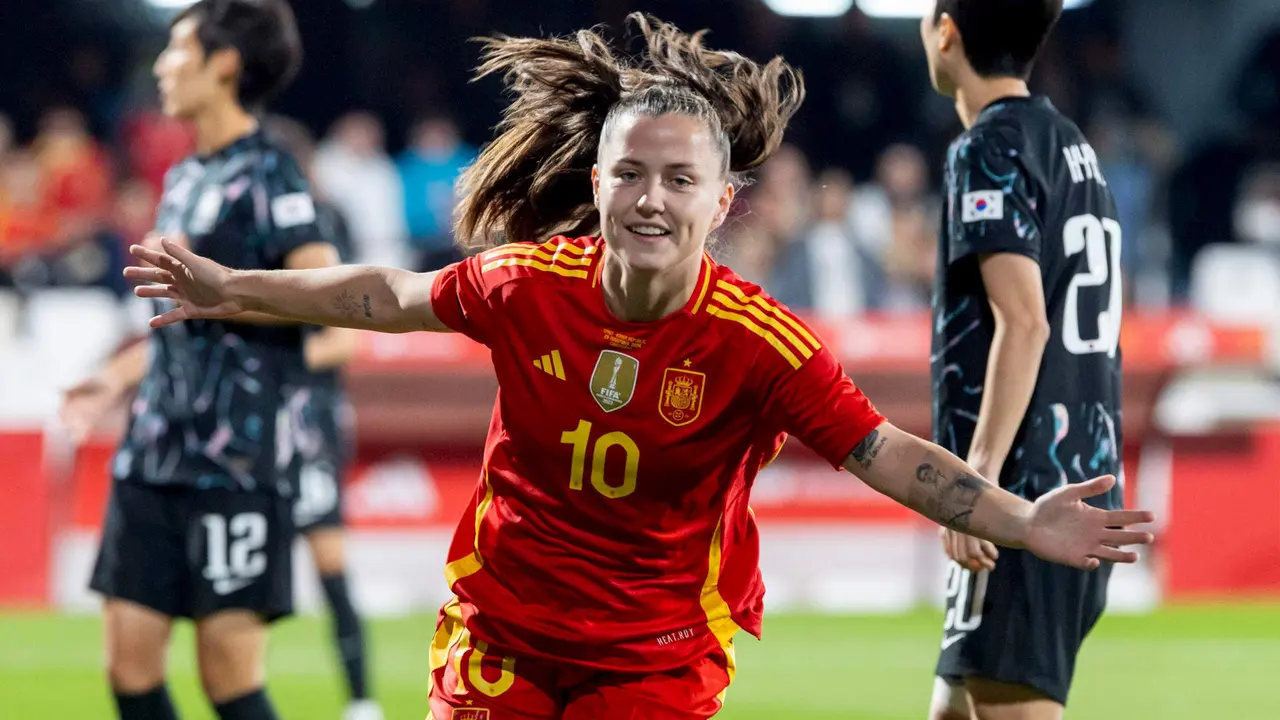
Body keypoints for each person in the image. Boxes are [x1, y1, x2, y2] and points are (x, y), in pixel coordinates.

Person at [124, 14, 1154, 719]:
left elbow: (881, 452)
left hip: (652, 659)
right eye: (628, 173)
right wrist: (230, 288)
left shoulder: (760, 342)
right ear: (597, 181)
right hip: (502, 637)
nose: (649, 198)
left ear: (721, 202)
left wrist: (1018, 520)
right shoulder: (527, 284)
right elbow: (385, 295)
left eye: (677, 179)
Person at [58, 2, 341, 719]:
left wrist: (229, 298)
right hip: (152, 452)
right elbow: (176, 328)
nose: (161, 65)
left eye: (178, 48)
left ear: (225, 65)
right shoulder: (184, 177)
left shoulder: (273, 171)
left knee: (229, 679)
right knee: (127, 665)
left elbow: (326, 295)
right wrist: (113, 377)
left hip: (237, 464)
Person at [918, 2, 1129, 719]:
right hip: (1074, 477)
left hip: (1025, 500)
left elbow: (1026, 321)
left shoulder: (988, 146)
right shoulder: (1071, 143)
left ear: (946, 30)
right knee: (952, 709)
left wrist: (969, 487)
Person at [261, 115, 383, 720]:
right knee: (248, 569)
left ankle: (361, 700)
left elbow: (343, 339)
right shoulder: (255, 226)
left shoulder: (320, 223)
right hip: (255, 421)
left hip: (308, 416)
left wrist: (261, 359)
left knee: (329, 563)